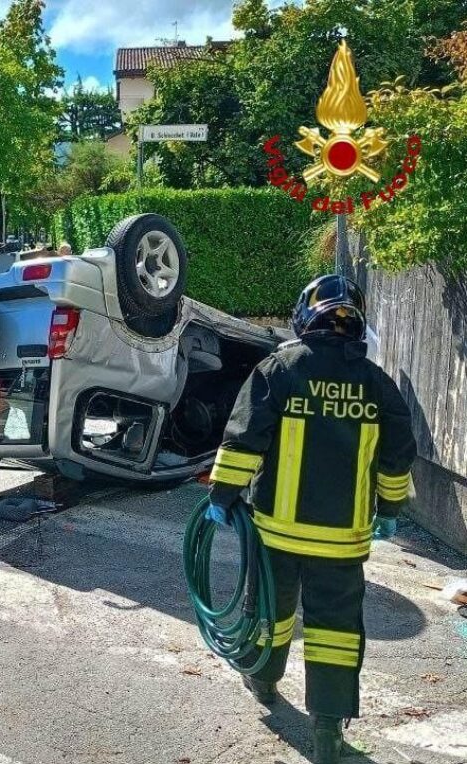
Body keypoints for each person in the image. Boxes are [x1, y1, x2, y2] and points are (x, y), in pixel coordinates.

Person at [205, 275, 416, 764]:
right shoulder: (377, 385)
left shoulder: (280, 369)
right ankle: (327, 731)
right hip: (342, 541)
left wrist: (223, 494)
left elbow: (244, 438)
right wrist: (390, 510)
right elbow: (397, 457)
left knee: (271, 612)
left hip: (276, 530)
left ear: (305, 316)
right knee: (336, 632)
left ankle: (262, 678)